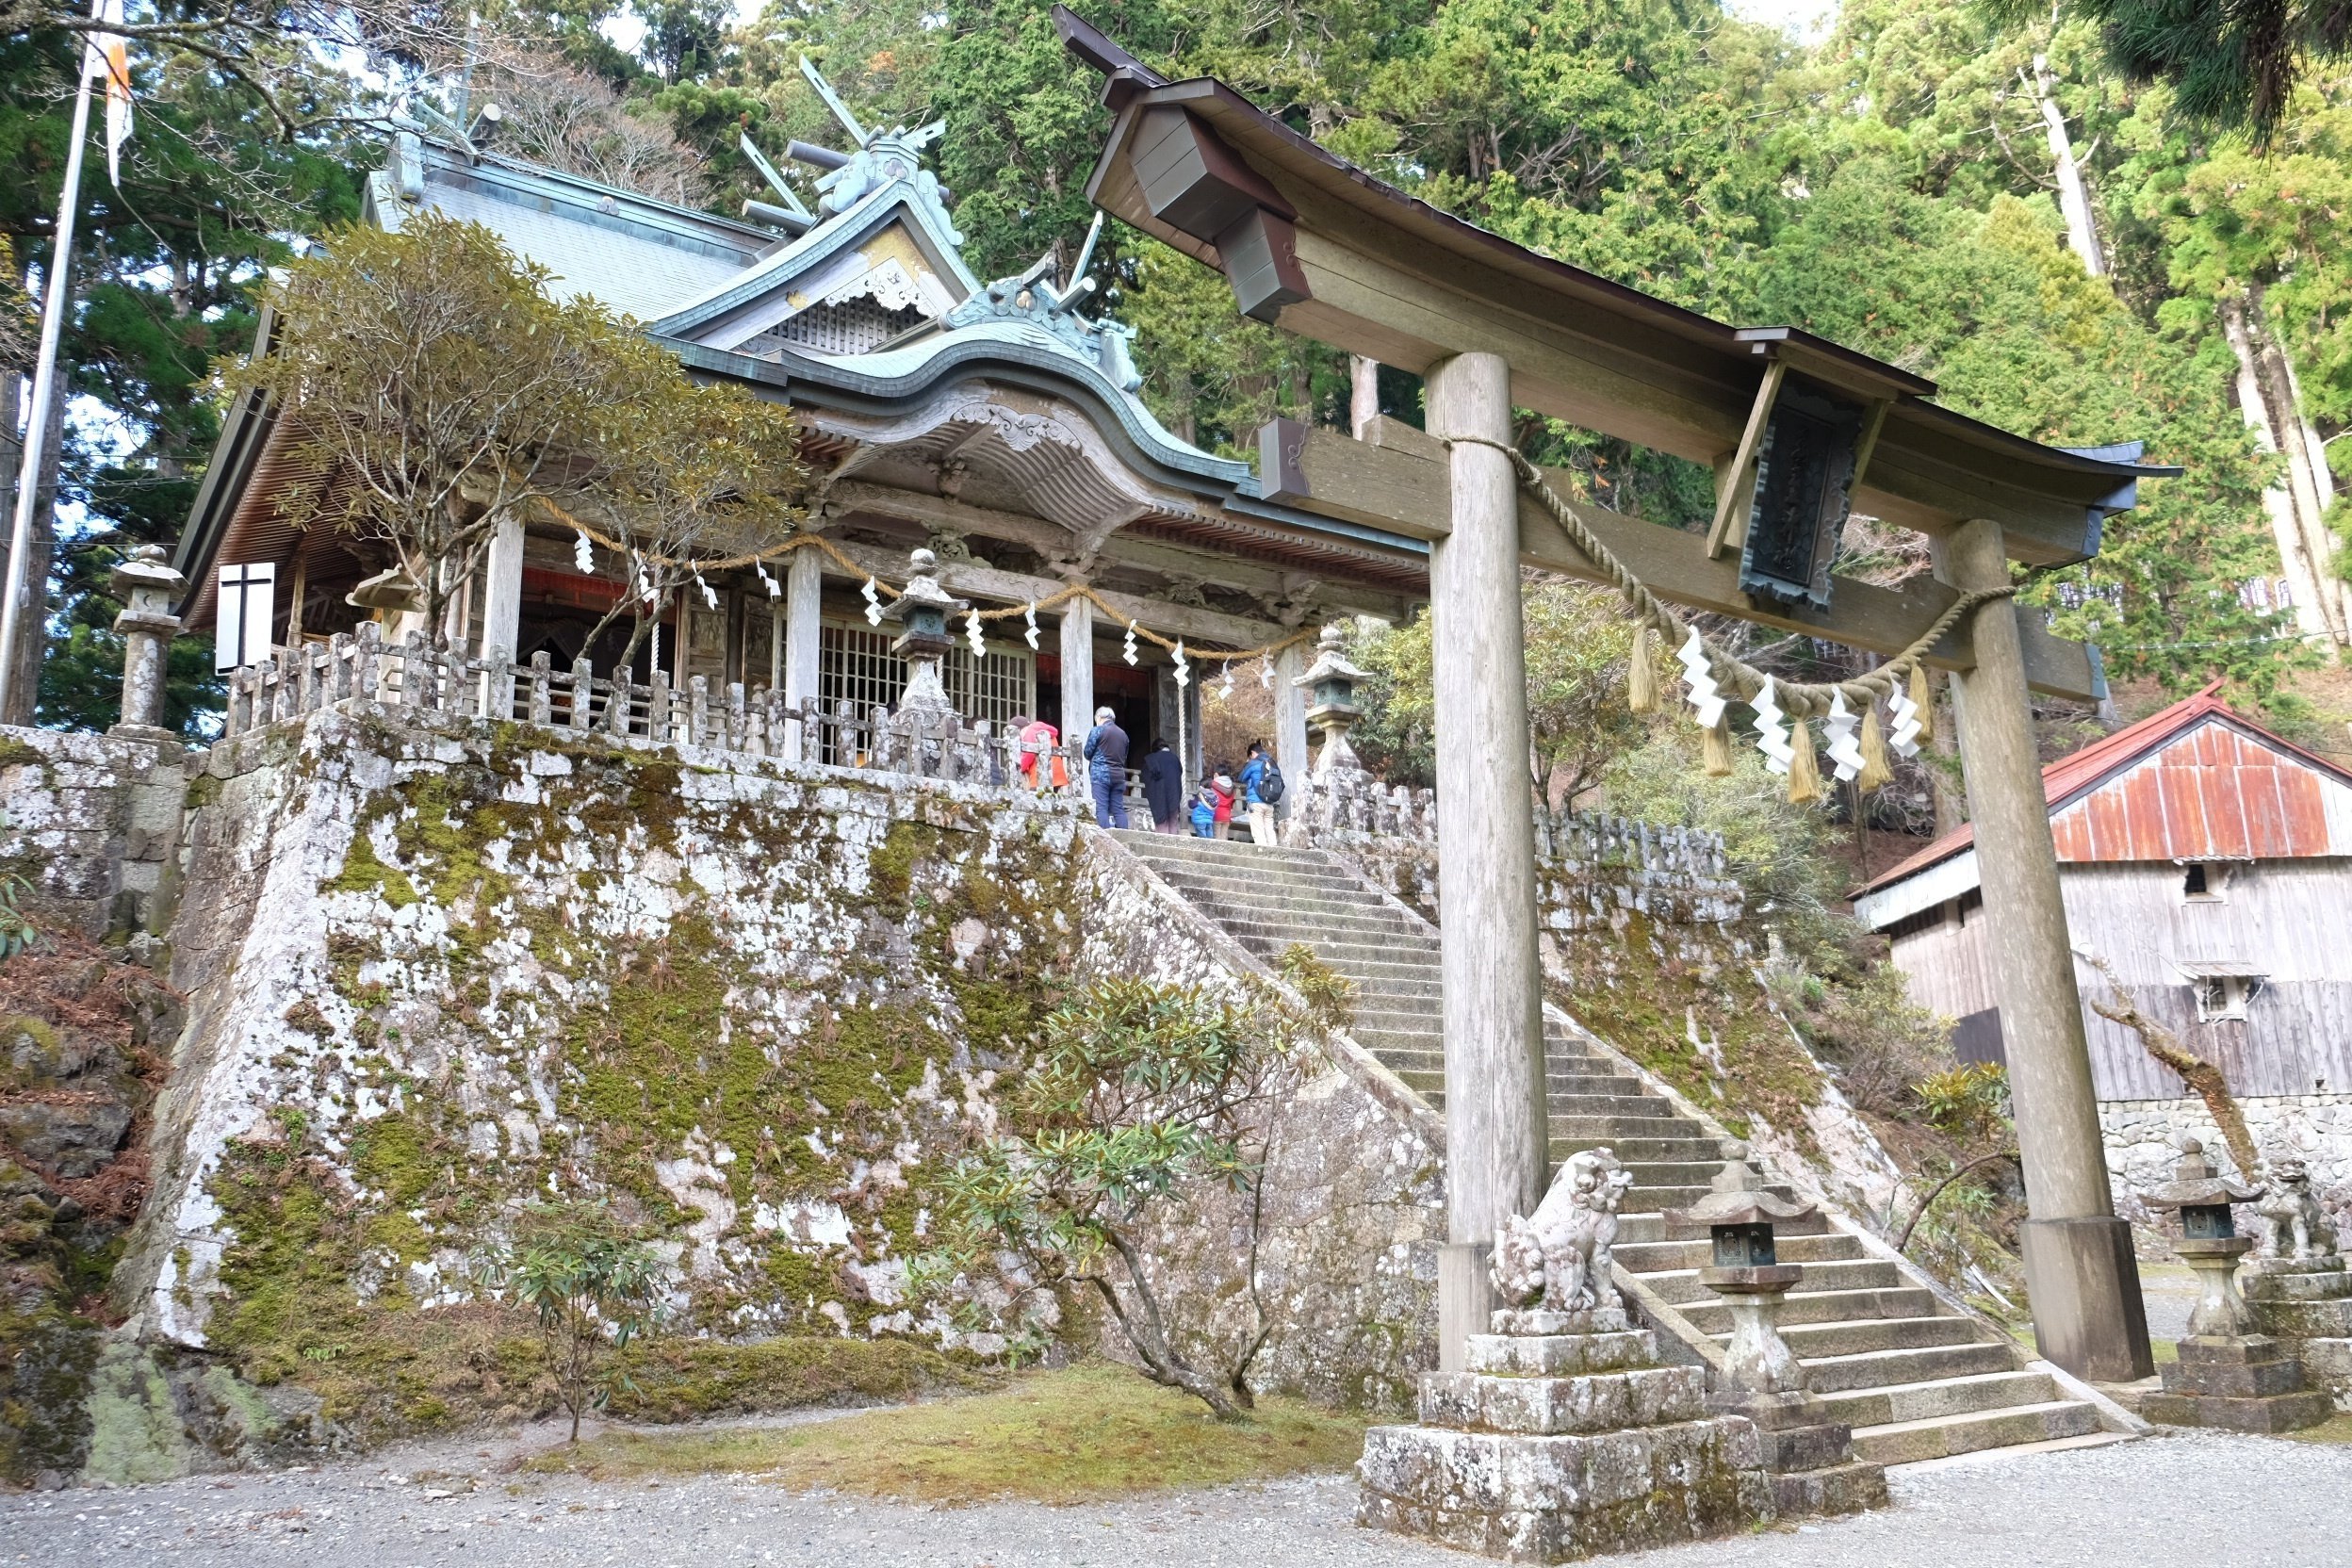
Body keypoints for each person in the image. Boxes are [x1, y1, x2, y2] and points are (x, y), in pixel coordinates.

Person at [1084, 705, 1130, 828]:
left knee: (1101, 808)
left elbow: (1087, 752)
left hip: (1101, 775)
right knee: (1118, 809)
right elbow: (1124, 756)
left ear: (1099, 717)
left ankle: (1105, 838)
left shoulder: (1098, 730)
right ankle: (1124, 838)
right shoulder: (1123, 734)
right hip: (1119, 776)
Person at [1139, 737, 1184, 833]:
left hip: (1159, 795)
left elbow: (1144, 777)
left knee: (1162, 824)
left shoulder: (1151, 759)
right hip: (1174, 796)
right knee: (1173, 823)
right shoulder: (1175, 759)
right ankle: (1173, 846)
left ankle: (1163, 845)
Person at [1237, 740, 1276, 846]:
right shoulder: (1272, 763)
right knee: (1269, 830)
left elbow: (1241, 778)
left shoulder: (1252, 763)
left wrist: (1247, 763)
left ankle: (1263, 855)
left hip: (1256, 802)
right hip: (1269, 802)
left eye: (1250, 756)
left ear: (1252, 753)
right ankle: (1275, 853)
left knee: (1258, 832)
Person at [1015, 713, 1065, 792]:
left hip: (1038, 777)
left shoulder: (1029, 731)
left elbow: (1029, 753)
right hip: (1056, 776)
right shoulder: (1047, 731)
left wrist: (1020, 767)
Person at [1206, 766, 1237, 840]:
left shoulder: (1212, 784)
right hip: (1227, 815)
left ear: (1216, 774)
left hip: (1216, 814)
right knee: (1224, 838)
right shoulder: (1232, 786)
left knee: (1217, 838)